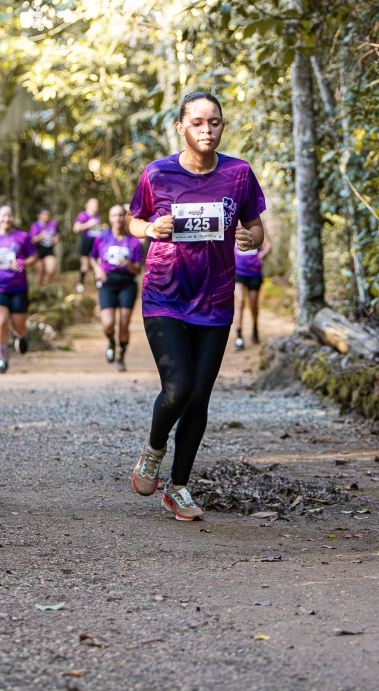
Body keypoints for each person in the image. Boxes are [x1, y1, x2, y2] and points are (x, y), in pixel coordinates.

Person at [126, 92, 265, 521]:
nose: (207, 129)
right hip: (165, 295)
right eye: (198, 122)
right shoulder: (158, 173)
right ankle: (154, 449)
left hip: (216, 299)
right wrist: (151, 229)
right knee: (179, 386)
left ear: (222, 126)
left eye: (215, 122)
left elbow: (255, 227)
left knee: (200, 397)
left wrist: (251, 239)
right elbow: (134, 220)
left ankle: (178, 488)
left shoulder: (239, 173)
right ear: (181, 127)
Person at [0, 204, 37, 373]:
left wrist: (23, 262)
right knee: (0, 322)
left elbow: (33, 256)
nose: (6, 219)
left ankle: (21, 336)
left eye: (9, 215)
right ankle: (2, 360)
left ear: (13, 218)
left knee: (18, 324)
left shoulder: (22, 237)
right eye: (3, 215)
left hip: (18, 287)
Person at [91, 204, 143, 372]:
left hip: (127, 284)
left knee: (124, 325)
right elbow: (92, 257)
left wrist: (128, 264)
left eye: (121, 215)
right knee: (108, 324)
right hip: (107, 283)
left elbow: (138, 269)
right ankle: (111, 342)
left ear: (125, 218)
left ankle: (121, 356)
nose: (118, 219)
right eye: (114, 216)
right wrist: (97, 269)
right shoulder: (101, 237)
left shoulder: (133, 241)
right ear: (109, 218)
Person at [233, 231, 271, 351]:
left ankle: (255, 328)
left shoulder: (257, 228)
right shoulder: (233, 226)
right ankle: (239, 336)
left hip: (254, 273)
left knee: (253, 305)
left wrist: (262, 255)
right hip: (238, 272)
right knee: (239, 302)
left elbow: (268, 246)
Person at [73, 197, 101, 293]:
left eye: (96, 203)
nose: (95, 205)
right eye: (93, 203)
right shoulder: (83, 215)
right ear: (87, 205)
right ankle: (80, 283)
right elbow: (76, 228)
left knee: (98, 263)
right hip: (86, 241)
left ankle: (98, 284)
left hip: (96, 242)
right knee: (85, 266)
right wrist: (89, 224)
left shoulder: (97, 215)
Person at [29, 208, 60, 286]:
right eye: (43, 214)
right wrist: (40, 236)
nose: (45, 216)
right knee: (40, 272)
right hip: (38, 250)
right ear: (39, 216)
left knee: (51, 270)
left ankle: (49, 286)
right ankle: (40, 288)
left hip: (49, 249)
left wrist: (56, 238)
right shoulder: (35, 226)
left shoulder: (53, 224)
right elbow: (32, 240)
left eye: (47, 214)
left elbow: (57, 233)